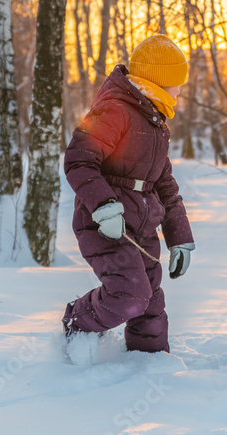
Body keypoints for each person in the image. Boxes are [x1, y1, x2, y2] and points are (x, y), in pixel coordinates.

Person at [61, 34, 195, 354]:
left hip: (142, 226)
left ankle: (147, 364)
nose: (179, 91)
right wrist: (105, 206)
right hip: (105, 223)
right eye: (176, 83)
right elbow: (79, 159)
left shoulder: (156, 123)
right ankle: (75, 323)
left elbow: (165, 186)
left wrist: (180, 238)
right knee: (130, 295)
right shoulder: (116, 109)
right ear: (158, 81)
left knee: (150, 302)